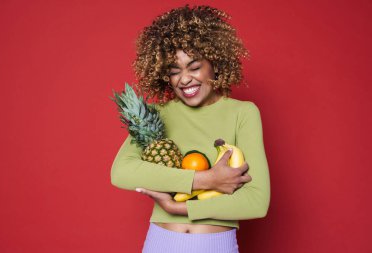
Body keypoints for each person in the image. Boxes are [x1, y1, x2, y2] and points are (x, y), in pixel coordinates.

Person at [110, 4, 270, 253]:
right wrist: (206, 180)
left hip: (215, 245)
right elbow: (121, 172)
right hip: (161, 242)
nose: (184, 79)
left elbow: (257, 202)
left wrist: (180, 208)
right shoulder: (160, 114)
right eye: (175, 72)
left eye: (194, 68)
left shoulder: (243, 113)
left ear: (215, 64)